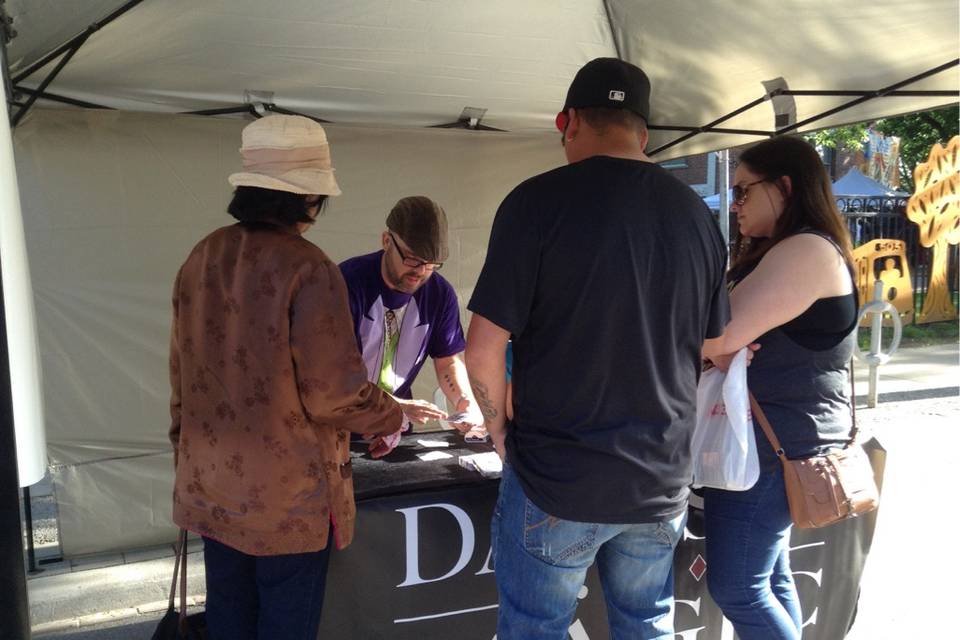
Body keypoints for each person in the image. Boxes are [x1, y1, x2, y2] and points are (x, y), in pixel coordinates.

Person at [465, 57, 730, 639]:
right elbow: (712, 339)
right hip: (659, 477)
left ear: (568, 121)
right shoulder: (696, 216)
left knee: (536, 627)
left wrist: (497, 427)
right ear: (643, 132)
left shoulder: (534, 202)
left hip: (559, 476)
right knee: (647, 623)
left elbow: (482, 346)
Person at [168, 115, 403, 640]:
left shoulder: (202, 255)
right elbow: (334, 396)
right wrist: (393, 413)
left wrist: (186, 459)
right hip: (286, 501)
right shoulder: (308, 266)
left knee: (229, 619)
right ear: (310, 199)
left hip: (210, 483)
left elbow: (181, 378)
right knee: (285, 625)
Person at [701, 135, 858, 640]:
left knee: (739, 587)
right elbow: (723, 340)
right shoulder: (795, 249)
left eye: (744, 191)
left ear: (784, 187)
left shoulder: (806, 250)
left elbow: (720, 335)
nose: (736, 204)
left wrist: (719, 346)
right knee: (767, 576)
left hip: (774, 444)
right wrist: (720, 346)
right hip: (778, 438)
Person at [339, 196, 484, 457]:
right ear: (386, 241)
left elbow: (448, 360)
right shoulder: (346, 283)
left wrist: (465, 402)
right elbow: (333, 375)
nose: (421, 271)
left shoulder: (440, 294)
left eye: (432, 264)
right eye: (413, 259)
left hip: (395, 425)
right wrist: (396, 406)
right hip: (338, 426)